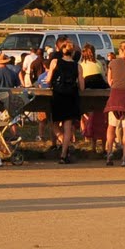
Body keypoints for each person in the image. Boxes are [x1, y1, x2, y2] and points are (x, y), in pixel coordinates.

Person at [46, 36, 83, 164]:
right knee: (68, 127)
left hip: (58, 94)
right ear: (73, 52)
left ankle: (62, 142)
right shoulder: (77, 66)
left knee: (54, 122)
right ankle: (64, 153)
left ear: (61, 50)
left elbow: (48, 80)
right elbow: (82, 87)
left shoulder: (55, 62)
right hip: (71, 96)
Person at [103, 41, 125, 165]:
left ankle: (109, 153)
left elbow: (110, 81)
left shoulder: (112, 63)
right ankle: (124, 158)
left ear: (119, 50)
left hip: (115, 96)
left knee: (111, 127)